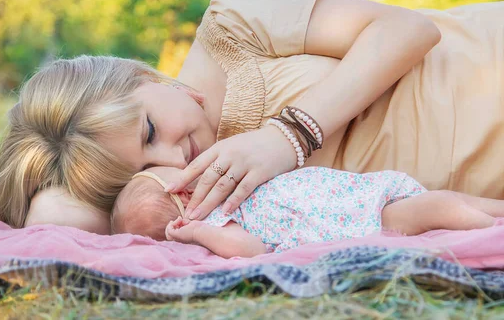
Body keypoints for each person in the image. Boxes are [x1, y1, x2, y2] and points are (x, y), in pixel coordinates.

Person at [0, 0, 504, 233]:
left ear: (142, 77)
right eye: (146, 169)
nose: (172, 157)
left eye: (149, 130)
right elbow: (57, 225)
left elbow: (409, 29)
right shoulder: (206, 204)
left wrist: (289, 135)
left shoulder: (232, 25)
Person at [111, 166, 504, 258]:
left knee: (447, 198)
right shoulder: (212, 220)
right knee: (440, 206)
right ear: (183, 207)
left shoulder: (233, 186)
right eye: (181, 184)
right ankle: (490, 232)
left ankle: (495, 213)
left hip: (361, 195)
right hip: (359, 219)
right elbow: (250, 249)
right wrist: (196, 233)